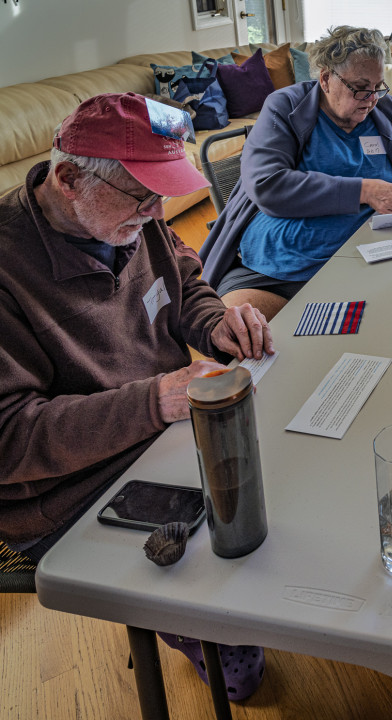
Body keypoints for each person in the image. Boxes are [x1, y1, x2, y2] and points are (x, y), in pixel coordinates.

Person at [0, 92, 274, 701]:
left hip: (165, 429)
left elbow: (185, 281)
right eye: (141, 196)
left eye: (163, 196)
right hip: (67, 487)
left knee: (275, 499)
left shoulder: (130, 219)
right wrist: (152, 402)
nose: (156, 213)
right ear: (69, 180)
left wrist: (215, 324)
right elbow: (9, 441)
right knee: (241, 663)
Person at [200, 25, 392, 319]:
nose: (372, 98)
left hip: (371, 257)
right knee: (239, 328)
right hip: (280, 267)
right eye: (360, 87)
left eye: (378, 86)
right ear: (325, 79)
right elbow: (268, 185)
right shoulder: (285, 107)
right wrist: (364, 191)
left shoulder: (385, 108)